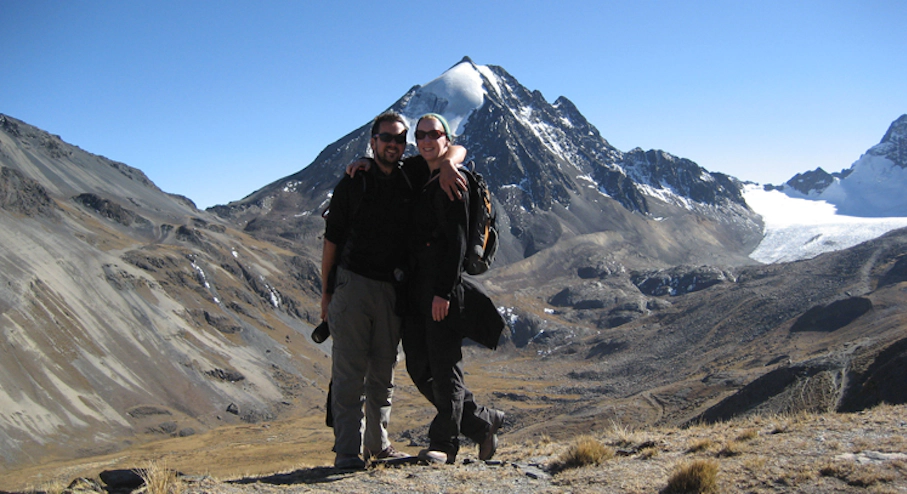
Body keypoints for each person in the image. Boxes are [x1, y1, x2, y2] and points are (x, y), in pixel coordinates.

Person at [321, 111, 465, 469]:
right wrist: (326, 292)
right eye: (387, 138)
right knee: (349, 371)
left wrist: (448, 165)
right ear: (372, 142)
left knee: (383, 372)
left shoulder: (410, 174)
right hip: (352, 285)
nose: (394, 145)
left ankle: (377, 446)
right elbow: (332, 241)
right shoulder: (353, 183)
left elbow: (455, 148)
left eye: (400, 140)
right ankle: (347, 452)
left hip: (391, 290)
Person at [405, 113, 505, 465]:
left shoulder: (452, 181)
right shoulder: (422, 172)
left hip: (441, 289)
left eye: (435, 134)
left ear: (446, 138)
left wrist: (443, 293)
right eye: (421, 135)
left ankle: (444, 444)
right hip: (417, 289)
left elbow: (458, 243)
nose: (427, 139)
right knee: (419, 367)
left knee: (445, 366)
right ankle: (482, 423)